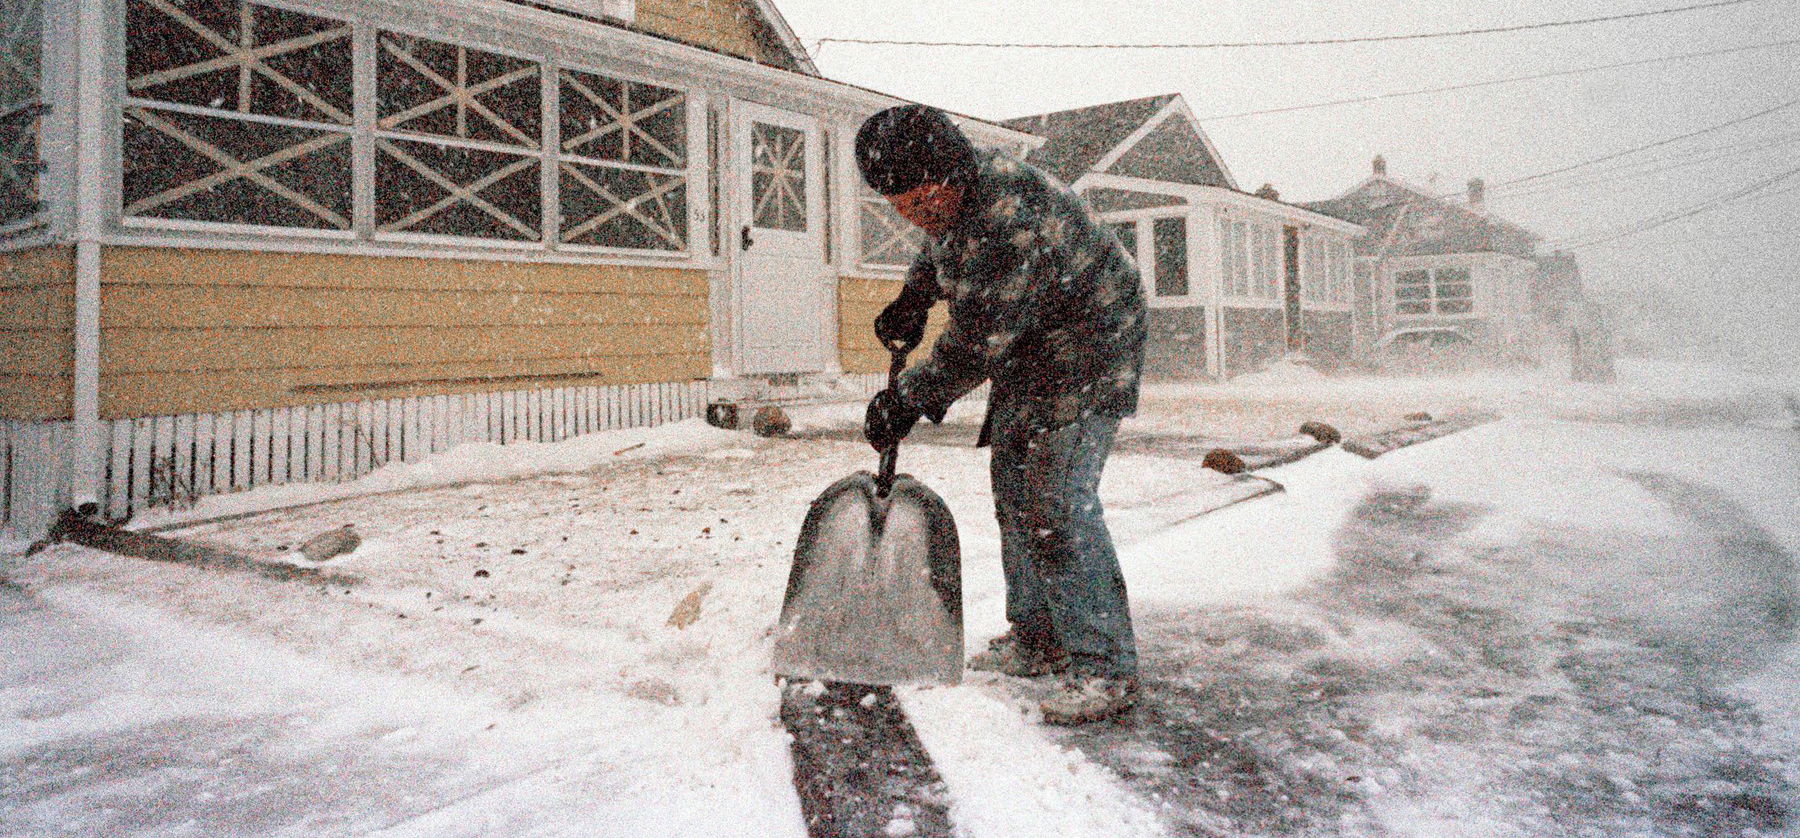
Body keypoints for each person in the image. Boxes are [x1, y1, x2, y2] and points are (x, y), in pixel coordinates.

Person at [854, 104, 1147, 725]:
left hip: (1088, 345)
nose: (910, 216)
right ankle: (1038, 638)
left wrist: (909, 398)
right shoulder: (954, 197)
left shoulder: (1009, 217)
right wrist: (915, 293)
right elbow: (941, 244)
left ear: (947, 174)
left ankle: (1103, 666)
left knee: (1057, 502)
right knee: (1015, 489)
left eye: (915, 201)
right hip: (1032, 342)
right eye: (897, 206)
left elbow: (977, 342)